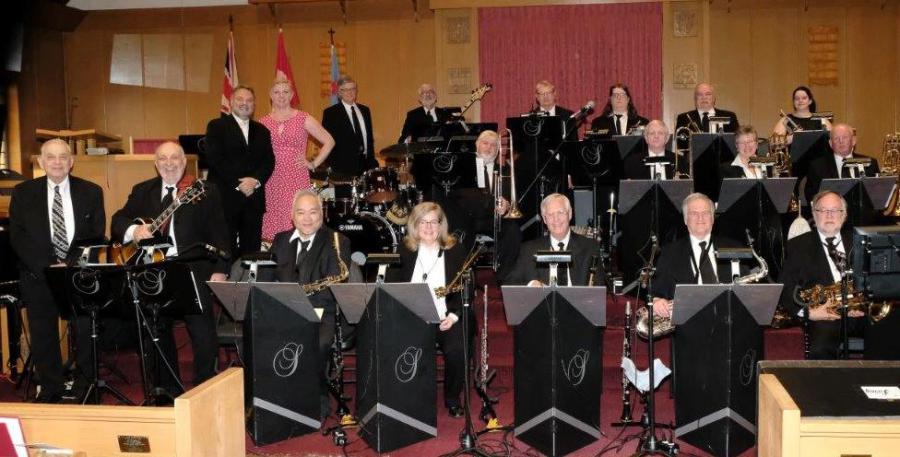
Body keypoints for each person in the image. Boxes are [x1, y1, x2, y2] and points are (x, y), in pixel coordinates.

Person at [111, 142, 230, 391]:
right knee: (157, 329)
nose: (169, 163)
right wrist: (135, 230)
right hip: (154, 270)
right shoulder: (142, 190)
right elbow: (117, 221)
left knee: (202, 332)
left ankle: (204, 389)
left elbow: (220, 231)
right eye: (163, 159)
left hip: (193, 267)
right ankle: (167, 390)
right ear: (156, 164)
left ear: (184, 162)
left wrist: (220, 269)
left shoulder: (205, 190)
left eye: (175, 158)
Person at [10, 138, 105, 402]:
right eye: (50, 157)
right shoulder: (23, 192)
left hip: (78, 275)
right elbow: (18, 236)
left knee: (85, 330)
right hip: (38, 274)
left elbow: (96, 234)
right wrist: (47, 266)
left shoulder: (92, 191)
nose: (57, 162)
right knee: (43, 334)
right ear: (41, 162)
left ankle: (85, 388)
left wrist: (69, 265)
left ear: (71, 162)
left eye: (63, 157)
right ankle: (51, 388)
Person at [270, 189, 352, 418]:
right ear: (292, 216)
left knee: (317, 343)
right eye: (301, 212)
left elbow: (334, 288)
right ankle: (273, 402)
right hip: (285, 308)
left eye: (313, 212)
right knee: (259, 335)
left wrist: (303, 304)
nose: (307, 218)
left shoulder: (338, 242)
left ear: (322, 214)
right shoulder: (280, 240)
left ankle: (317, 403)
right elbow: (269, 278)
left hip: (322, 311)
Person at [386, 202, 472, 417]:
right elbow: (391, 286)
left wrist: (453, 316)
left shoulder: (455, 250)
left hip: (446, 316)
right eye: (423, 222)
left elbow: (468, 287)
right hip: (412, 317)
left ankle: (452, 398)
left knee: (456, 349)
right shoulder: (404, 250)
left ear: (441, 225)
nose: (429, 227)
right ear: (414, 225)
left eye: (434, 222)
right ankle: (410, 396)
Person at [778, 191, 865, 359]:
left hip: (860, 312)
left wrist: (862, 304)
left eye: (835, 210)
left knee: (888, 332)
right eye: (823, 210)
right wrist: (809, 313)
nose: (829, 215)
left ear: (844, 215)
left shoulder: (860, 240)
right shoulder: (798, 245)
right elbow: (785, 287)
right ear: (814, 214)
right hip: (825, 315)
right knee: (820, 349)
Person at [259, 78, 335, 241]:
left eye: (285, 91)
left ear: (292, 95)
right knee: (272, 220)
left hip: (295, 177)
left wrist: (313, 164)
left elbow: (329, 141)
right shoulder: (262, 122)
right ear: (270, 95)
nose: (281, 95)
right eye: (277, 92)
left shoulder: (303, 118)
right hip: (271, 179)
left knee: (296, 215)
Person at [441, 130, 522, 281]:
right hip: (466, 218)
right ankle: (459, 279)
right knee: (458, 230)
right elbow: (453, 196)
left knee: (513, 230)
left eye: (493, 145)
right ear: (477, 145)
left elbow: (511, 199)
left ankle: (505, 277)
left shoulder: (505, 171)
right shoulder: (462, 168)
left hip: (493, 218)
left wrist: (507, 205)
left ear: (498, 150)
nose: (489, 147)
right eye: (485, 143)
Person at [205, 85, 275, 257]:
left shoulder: (263, 131)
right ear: (231, 102)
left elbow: (269, 161)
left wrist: (255, 181)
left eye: (249, 100)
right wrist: (240, 183)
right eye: (240, 99)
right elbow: (215, 159)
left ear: (254, 104)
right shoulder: (216, 126)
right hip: (225, 198)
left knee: (252, 253)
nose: (245, 103)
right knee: (224, 251)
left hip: (254, 199)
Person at [650, 193, 744, 318]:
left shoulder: (734, 247)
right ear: (685, 219)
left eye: (706, 213)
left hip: (729, 318)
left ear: (713, 218)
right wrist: (657, 301)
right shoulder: (669, 253)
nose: (700, 218)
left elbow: (748, 290)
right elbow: (657, 292)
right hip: (688, 321)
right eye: (694, 213)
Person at [507, 193, 603, 286]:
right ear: (545, 219)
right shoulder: (528, 250)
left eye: (560, 212)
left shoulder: (590, 247)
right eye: (550, 214)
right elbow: (510, 283)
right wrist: (531, 285)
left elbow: (599, 286)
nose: (556, 219)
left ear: (570, 214)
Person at [804, 123, 880, 204]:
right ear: (830, 144)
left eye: (845, 137)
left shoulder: (870, 163)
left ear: (853, 141)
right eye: (836, 138)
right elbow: (811, 196)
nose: (841, 141)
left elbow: (878, 194)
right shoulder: (817, 166)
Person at [321, 75, 377, 178]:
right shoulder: (330, 113)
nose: (350, 92)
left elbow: (369, 139)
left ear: (356, 91)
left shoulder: (365, 110)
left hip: (365, 166)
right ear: (339, 92)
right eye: (345, 90)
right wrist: (332, 168)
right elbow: (326, 141)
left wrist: (372, 163)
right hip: (342, 169)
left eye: (352, 89)